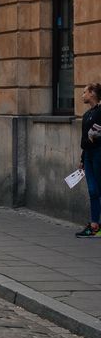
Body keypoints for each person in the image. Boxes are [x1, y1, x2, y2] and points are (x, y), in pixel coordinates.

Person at [76, 83, 101, 237]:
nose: (82, 95)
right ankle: (94, 226)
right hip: (89, 154)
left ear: (92, 93)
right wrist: (82, 158)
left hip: (99, 153)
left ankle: (96, 225)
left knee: (99, 189)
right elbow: (85, 139)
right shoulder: (87, 114)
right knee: (92, 190)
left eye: (85, 92)